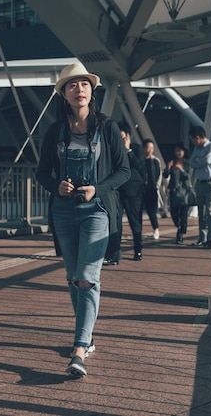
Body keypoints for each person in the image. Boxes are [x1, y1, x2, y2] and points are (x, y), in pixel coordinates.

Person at [35, 62, 130, 377]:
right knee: (74, 278)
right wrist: (56, 185)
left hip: (96, 211)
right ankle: (87, 336)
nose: (79, 89)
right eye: (72, 85)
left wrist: (97, 189)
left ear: (92, 91)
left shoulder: (108, 128)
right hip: (63, 212)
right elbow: (41, 173)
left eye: (84, 84)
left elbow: (124, 171)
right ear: (64, 93)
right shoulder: (55, 131)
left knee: (88, 276)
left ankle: (78, 348)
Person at [107, 122, 145, 262]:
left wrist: (127, 149)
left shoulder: (137, 148)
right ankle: (115, 255)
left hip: (133, 191)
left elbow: (139, 166)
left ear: (128, 136)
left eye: (122, 137)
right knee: (115, 223)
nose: (120, 140)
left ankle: (138, 250)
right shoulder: (113, 149)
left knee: (135, 222)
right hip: (116, 190)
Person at [188, 125, 211, 248]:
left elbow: (208, 160)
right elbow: (191, 162)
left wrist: (198, 162)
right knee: (202, 212)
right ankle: (202, 237)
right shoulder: (197, 149)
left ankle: (210, 238)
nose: (192, 142)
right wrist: (200, 161)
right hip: (200, 183)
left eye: (193, 140)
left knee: (210, 212)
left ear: (198, 138)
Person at [163, 144, 193, 244]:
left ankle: (180, 235)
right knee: (174, 213)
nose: (178, 153)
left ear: (184, 152)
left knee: (183, 214)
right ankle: (179, 226)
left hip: (184, 192)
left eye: (180, 151)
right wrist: (168, 167)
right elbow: (165, 175)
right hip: (174, 192)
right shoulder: (172, 162)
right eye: (176, 151)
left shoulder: (187, 163)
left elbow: (189, 177)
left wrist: (181, 170)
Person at [142, 139, 162, 240]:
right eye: (148, 147)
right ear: (144, 148)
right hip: (141, 190)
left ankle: (156, 229)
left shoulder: (155, 161)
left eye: (152, 148)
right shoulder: (140, 160)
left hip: (152, 189)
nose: (150, 150)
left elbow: (159, 175)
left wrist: (157, 186)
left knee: (151, 211)